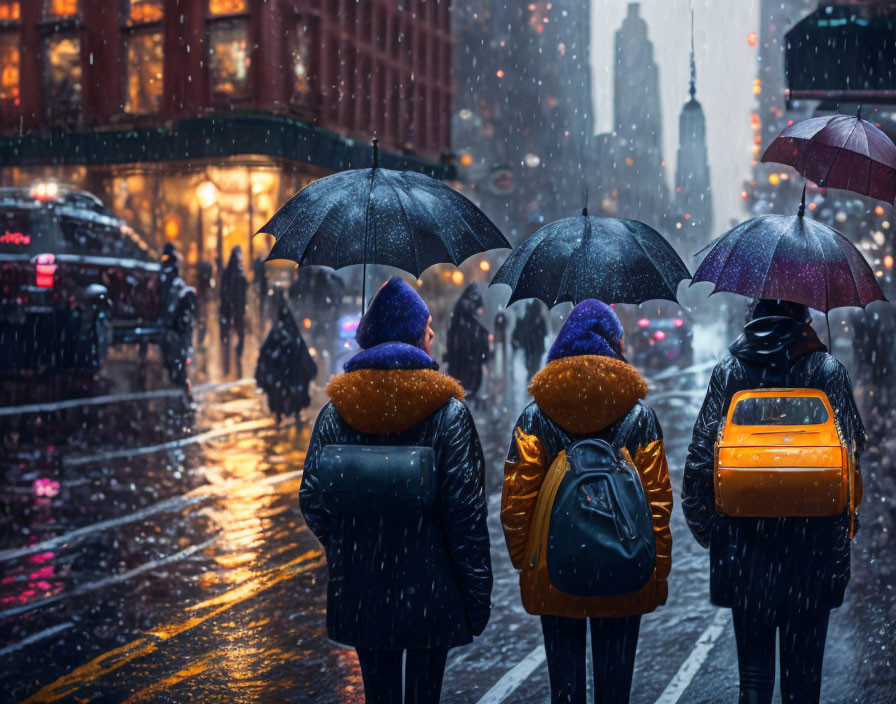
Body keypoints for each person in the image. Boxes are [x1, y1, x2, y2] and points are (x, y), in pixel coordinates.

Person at [300, 276, 492, 704]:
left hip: (364, 591)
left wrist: (352, 545)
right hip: (432, 592)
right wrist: (476, 596)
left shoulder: (337, 412)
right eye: (427, 328)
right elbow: (466, 515)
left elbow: (314, 499)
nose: (433, 335)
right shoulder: (448, 414)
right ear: (410, 335)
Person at [682, 299, 866, 704]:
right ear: (805, 315)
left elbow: (699, 461)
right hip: (813, 549)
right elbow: (851, 458)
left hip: (745, 551)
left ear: (752, 314)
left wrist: (714, 533)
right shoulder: (826, 371)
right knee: (803, 682)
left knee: (754, 680)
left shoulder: (730, 372)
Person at [501, 299, 672, 704]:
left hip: (557, 570)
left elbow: (517, 500)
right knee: (615, 690)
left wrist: (529, 563)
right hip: (625, 566)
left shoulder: (536, 414)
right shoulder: (638, 414)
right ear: (616, 345)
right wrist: (656, 568)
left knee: (565, 687)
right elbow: (657, 500)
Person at [255, 291, 318, 425]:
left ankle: (284, 414)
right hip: (289, 367)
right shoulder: (287, 328)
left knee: (283, 389)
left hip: (286, 367)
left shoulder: (281, 328)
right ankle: (291, 414)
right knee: (288, 389)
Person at [445, 283, 490, 398]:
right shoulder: (472, 322)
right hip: (468, 355)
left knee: (460, 383)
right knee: (469, 384)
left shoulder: (460, 307)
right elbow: (477, 338)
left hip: (459, 356)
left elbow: (451, 335)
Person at [219, 246, 248, 377]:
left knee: (226, 337)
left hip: (228, 310)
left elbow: (222, 291)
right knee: (240, 335)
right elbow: (243, 294)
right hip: (237, 311)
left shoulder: (227, 272)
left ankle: (226, 365)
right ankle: (236, 356)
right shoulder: (240, 272)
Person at [512, 299, 548, 380]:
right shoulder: (538, 318)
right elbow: (544, 332)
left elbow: (525, 332)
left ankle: (531, 381)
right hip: (535, 347)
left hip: (530, 347)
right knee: (534, 367)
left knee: (531, 367)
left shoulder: (529, 317)